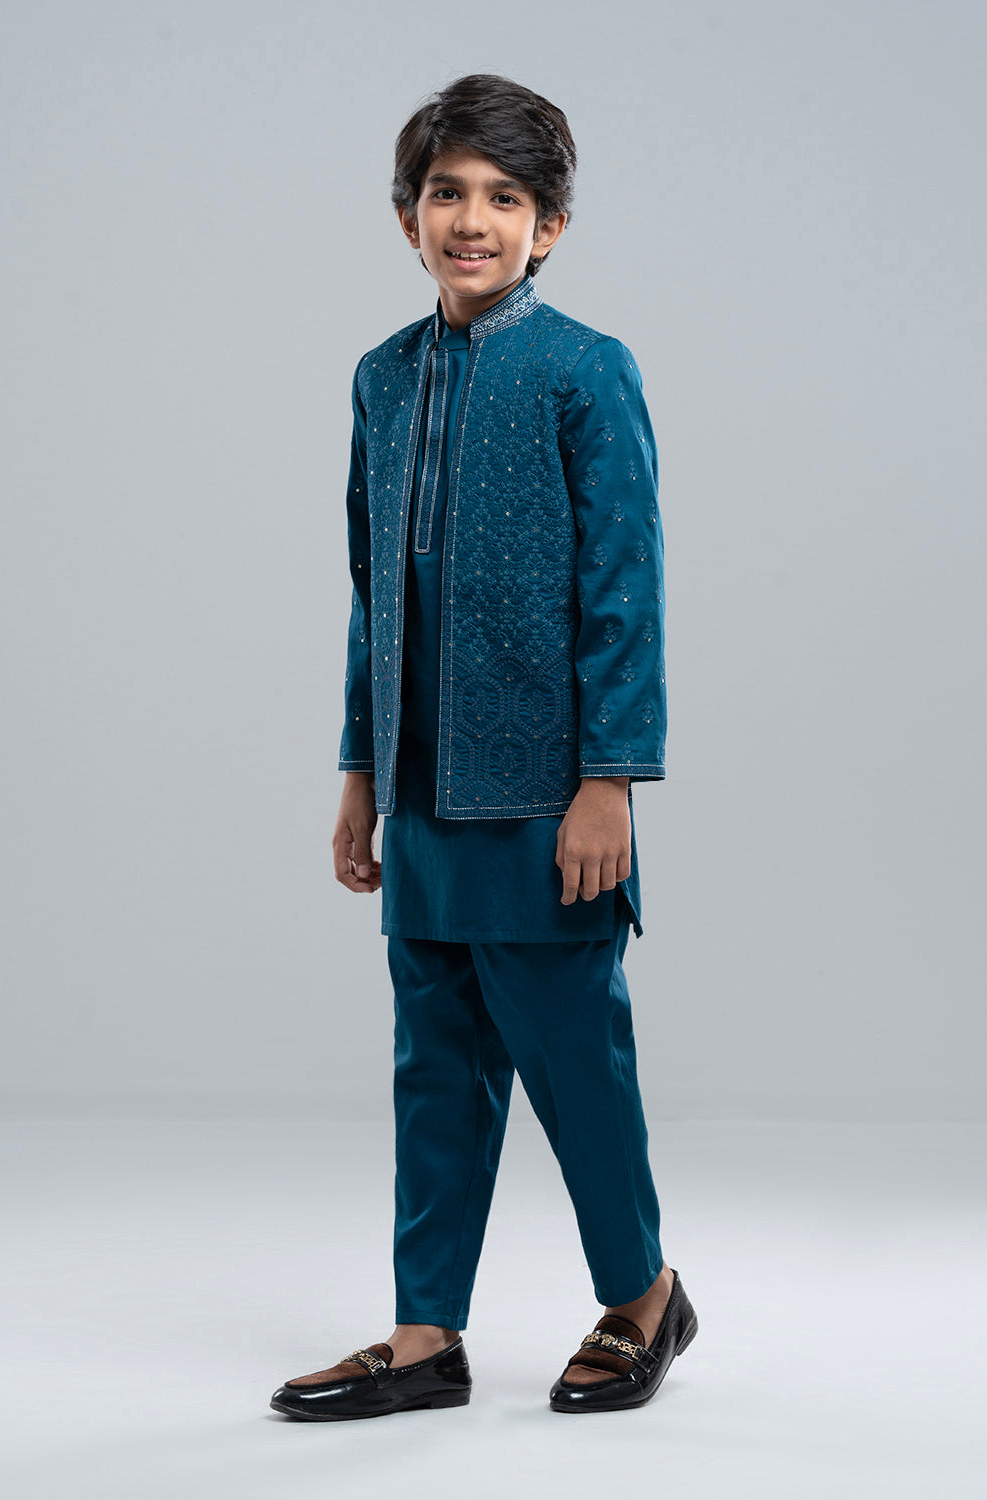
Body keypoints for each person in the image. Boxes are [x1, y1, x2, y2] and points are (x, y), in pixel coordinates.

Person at [270, 72, 697, 1423]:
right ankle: (424, 1335)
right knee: (435, 1066)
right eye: (446, 193)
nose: (471, 220)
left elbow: (625, 587)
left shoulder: (584, 370)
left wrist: (608, 781)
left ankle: (644, 1298)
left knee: (575, 1062)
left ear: (548, 226)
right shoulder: (382, 377)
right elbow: (372, 593)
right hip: (419, 791)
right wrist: (359, 772)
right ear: (408, 216)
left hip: (546, 794)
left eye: (503, 198)